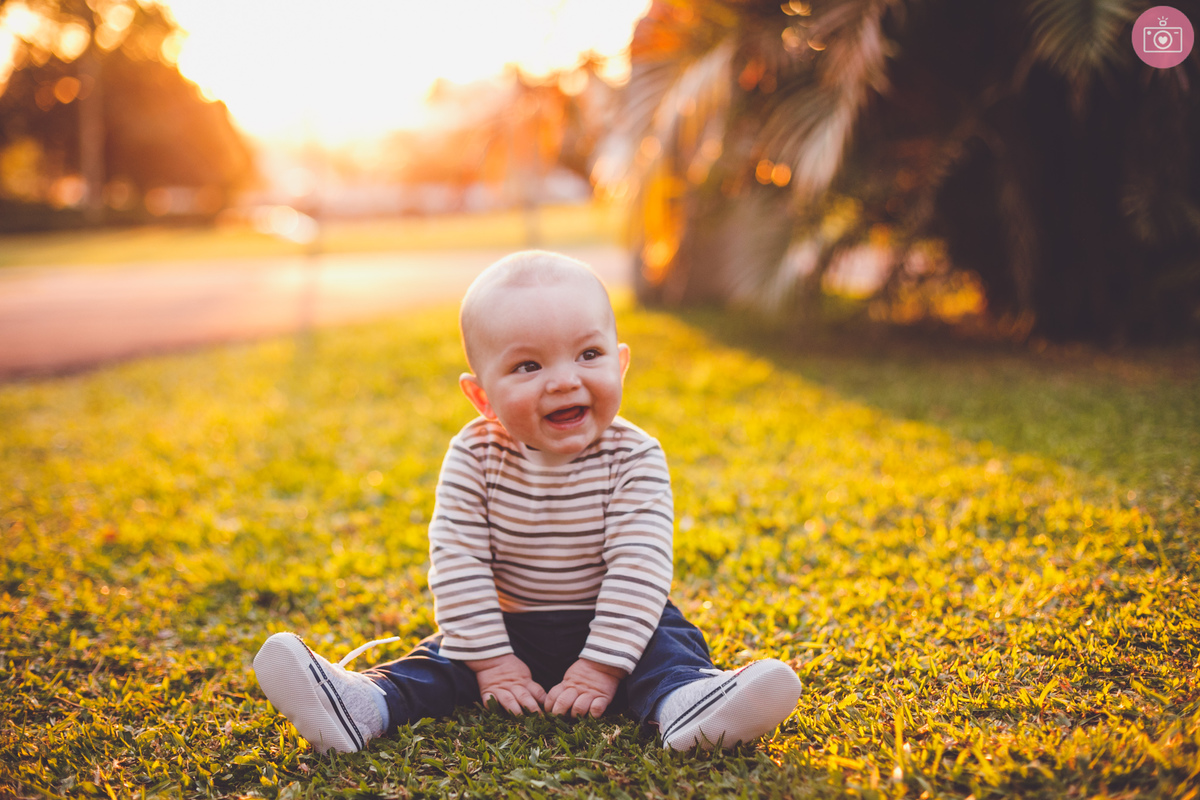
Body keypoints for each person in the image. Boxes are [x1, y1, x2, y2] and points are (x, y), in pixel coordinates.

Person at [252, 250, 803, 754]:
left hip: (618, 624)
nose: (564, 381)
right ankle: (362, 704)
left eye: (589, 354)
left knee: (669, 643)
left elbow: (639, 566)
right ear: (482, 397)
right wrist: (491, 662)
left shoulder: (634, 455)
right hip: (506, 626)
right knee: (442, 659)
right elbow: (459, 561)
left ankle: (688, 704)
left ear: (621, 363)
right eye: (528, 366)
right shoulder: (474, 454)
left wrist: (601, 665)